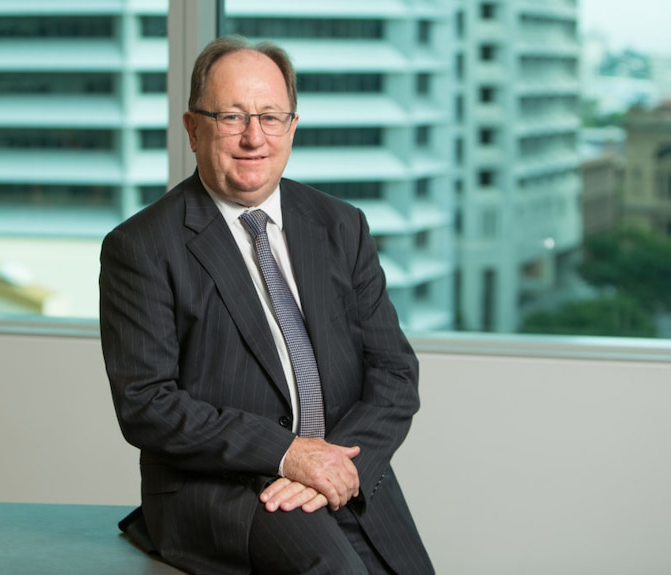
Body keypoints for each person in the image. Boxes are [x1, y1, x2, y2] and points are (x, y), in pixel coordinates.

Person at [99, 35, 434, 575]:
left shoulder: (340, 225)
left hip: (343, 469)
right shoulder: (141, 246)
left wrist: (338, 465)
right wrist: (288, 453)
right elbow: (146, 403)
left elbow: (395, 372)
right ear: (192, 127)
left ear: (292, 127)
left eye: (271, 117)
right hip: (223, 489)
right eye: (231, 116)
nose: (254, 137)